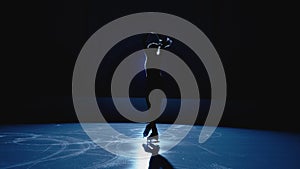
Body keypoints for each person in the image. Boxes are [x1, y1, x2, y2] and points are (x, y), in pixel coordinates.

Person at [143, 33, 172, 140]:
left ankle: (151, 128)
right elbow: (162, 46)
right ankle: (154, 131)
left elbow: (143, 43)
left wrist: (148, 34)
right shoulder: (158, 56)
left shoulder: (151, 57)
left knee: (152, 110)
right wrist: (159, 40)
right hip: (157, 84)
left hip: (152, 84)